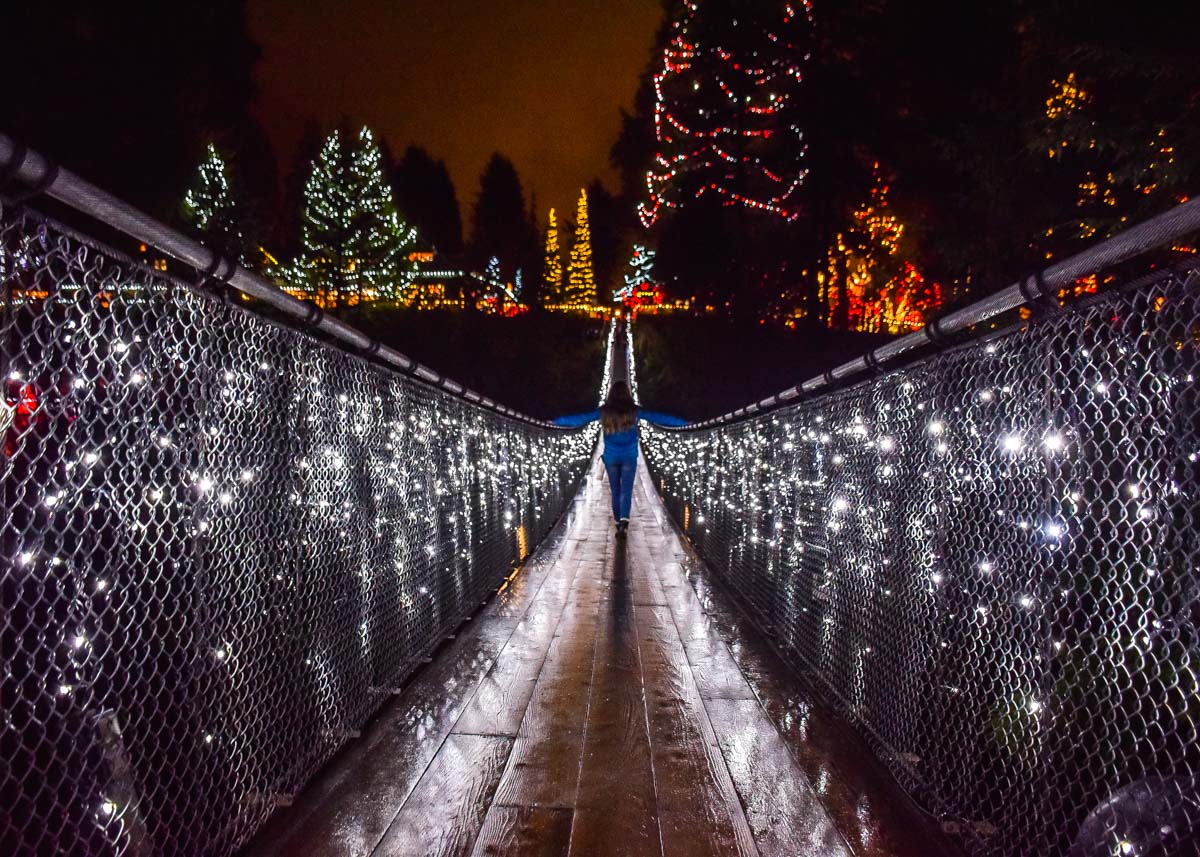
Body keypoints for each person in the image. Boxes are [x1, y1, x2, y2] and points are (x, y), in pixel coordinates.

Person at [554, 382, 688, 534]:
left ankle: (618, 522)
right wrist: (683, 423)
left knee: (615, 489)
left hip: (611, 457)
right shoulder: (634, 411)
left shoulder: (604, 411)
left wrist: (556, 422)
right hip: (629, 457)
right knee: (626, 490)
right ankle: (624, 519)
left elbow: (581, 418)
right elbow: (659, 417)